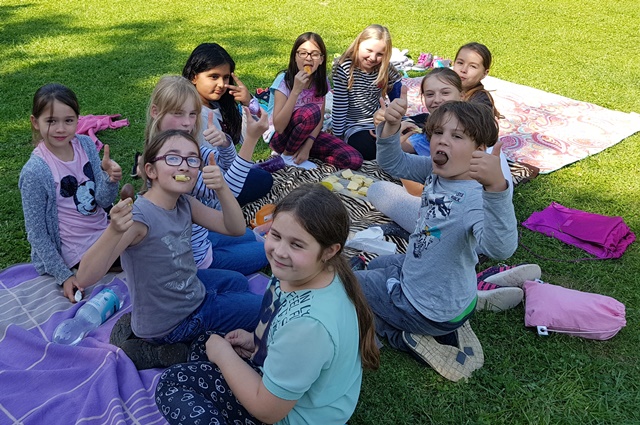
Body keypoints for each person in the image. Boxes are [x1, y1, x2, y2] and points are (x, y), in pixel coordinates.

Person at [155, 183, 379, 425]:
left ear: (329, 251)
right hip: (286, 384)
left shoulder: (309, 327)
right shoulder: (304, 272)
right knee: (207, 341)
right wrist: (257, 341)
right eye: (276, 235)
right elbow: (280, 317)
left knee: (173, 383)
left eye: (297, 244)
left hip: (287, 414)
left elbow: (267, 411)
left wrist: (223, 356)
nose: (279, 251)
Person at [355, 91, 518, 380]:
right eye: (438, 132)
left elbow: (501, 248)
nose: (442, 141)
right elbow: (393, 164)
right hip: (438, 289)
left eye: (457, 136)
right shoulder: (438, 171)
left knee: (349, 285)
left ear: (480, 150)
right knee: (378, 265)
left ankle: (400, 335)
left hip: (425, 310)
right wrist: (390, 127)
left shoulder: (474, 198)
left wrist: (497, 189)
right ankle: (450, 315)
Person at [75, 129, 262, 369]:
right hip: (177, 321)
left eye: (192, 159)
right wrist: (113, 231)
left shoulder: (184, 203)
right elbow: (84, 277)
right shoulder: (139, 218)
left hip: (187, 290)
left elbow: (235, 228)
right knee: (262, 309)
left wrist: (222, 188)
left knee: (238, 282)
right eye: (173, 158)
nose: (184, 166)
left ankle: (149, 333)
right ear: (151, 171)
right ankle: (169, 348)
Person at [145, 75, 268, 275]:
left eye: (192, 114)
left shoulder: (183, 144)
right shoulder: (170, 165)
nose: (187, 123)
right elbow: (229, 190)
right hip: (196, 257)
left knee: (249, 236)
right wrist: (250, 140)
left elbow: (228, 167)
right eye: (178, 114)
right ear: (155, 112)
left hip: (201, 235)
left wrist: (225, 143)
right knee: (268, 250)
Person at [19, 83, 122, 303]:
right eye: (51, 121)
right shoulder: (35, 172)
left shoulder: (85, 144)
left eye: (68, 120)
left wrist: (110, 179)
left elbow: (102, 199)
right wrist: (64, 275)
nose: (60, 129)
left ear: (78, 119)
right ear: (35, 122)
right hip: (78, 251)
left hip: (104, 231)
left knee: (145, 231)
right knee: (142, 249)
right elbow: (37, 234)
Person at [182, 42, 273, 205]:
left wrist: (248, 103)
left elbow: (242, 139)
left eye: (225, 77)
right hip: (210, 188)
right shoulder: (193, 115)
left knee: (261, 176)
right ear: (194, 77)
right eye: (214, 76)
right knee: (263, 179)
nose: (222, 84)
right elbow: (214, 166)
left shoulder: (218, 105)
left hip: (225, 174)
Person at [268, 32, 363, 170]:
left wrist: (308, 146)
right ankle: (287, 156)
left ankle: (304, 155)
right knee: (311, 111)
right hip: (281, 139)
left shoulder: (320, 81)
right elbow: (279, 127)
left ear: (321, 59)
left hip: (308, 136)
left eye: (315, 54)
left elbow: (319, 119)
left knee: (354, 160)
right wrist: (295, 91)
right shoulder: (284, 81)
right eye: (303, 53)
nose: (308, 58)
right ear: (295, 57)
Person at [332, 24, 403, 160]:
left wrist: (396, 116)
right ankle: (398, 147)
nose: (373, 58)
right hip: (355, 125)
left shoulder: (384, 67)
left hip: (381, 119)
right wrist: (338, 136)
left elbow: (397, 87)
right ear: (358, 44)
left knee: (423, 122)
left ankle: (399, 144)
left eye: (379, 54)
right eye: (369, 50)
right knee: (364, 147)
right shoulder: (344, 68)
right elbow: (340, 106)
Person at [453, 42, 501, 118]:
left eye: (473, 66)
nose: (463, 70)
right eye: (460, 63)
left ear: (484, 73)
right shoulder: (445, 86)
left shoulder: (481, 102)